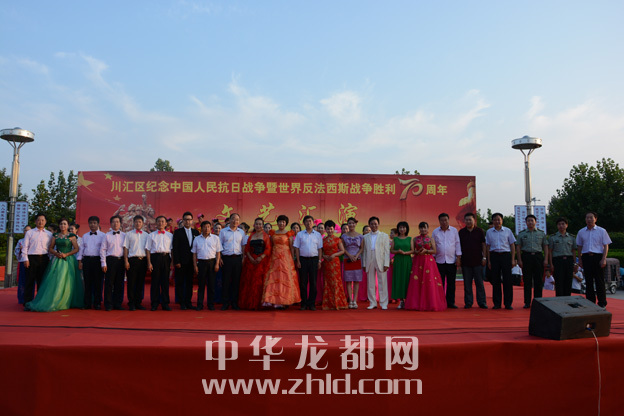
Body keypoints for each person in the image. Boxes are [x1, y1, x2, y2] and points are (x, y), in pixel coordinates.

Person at [25, 218, 84, 312]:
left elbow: (76, 249)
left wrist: (66, 254)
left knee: (70, 280)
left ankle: (68, 300)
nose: (63, 226)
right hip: (58, 260)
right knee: (57, 280)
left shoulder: (72, 236)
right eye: (61, 224)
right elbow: (51, 248)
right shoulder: (55, 235)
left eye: (64, 224)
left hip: (69, 260)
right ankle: (56, 300)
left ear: (68, 225)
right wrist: (56, 254)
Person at [404, 221, 446, 311]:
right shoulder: (415, 239)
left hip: (428, 262)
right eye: (421, 228)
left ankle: (430, 303)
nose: (423, 229)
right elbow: (413, 251)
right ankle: (416, 303)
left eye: (425, 228)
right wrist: (418, 252)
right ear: (419, 229)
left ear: (427, 229)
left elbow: (434, 251)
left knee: (429, 281)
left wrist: (426, 251)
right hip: (418, 261)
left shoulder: (431, 239)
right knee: (417, 282)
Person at [263, 215, 301, 308]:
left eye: (283, 222)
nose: (281, 223)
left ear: (286, 223)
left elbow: (292, 248)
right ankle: (273, 300)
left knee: (285, 278)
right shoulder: (273, 233)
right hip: (274, 258)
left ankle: (285, 300)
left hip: (286, 259)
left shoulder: (289, 234)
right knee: (274, 277)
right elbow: (271, 246)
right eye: (280, 222)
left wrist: (293, 259)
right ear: (277, 223)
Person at [576, 212, 612, 308]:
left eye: (591, 218)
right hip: (586, 257)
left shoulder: (602, 231)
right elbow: (579, 246)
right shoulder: (581, 232)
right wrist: (580, 260)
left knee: (599, 281)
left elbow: (606, 245)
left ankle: (602, 303)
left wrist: (604, 259)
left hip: (598, 257)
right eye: (587, 218)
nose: (589, 219)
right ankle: (590, 302)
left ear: (595, 219)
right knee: (588, 281)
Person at [516, 214, 549, 309]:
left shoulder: (541, 233)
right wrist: (519, 260)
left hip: (538, 257)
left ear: (535, 222)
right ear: (526, 222)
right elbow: (518, 247)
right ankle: (527, 302)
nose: (530, 222)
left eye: (532, 220)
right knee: (527, 281)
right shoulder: (522, 234)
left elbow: (545, 246)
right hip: (526, 257)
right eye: (528, 221)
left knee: (538, 280)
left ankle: (538, 301)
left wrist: (546, 259)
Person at [239, 218, 272, 310]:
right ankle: (250, 303)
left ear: (262, 225)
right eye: (256, 224)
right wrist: (250, 258)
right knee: (249, 282)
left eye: (260, 224)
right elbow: (247, 249)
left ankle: (260, 303)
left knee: (260, 282)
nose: (258, 226)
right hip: (251, 261)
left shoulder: (265, 236)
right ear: (254, 225)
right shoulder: (251, 235)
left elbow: (268, 249)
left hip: (262, 262)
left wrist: (261, 257)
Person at [486, 213, 516, 310]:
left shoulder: (507, 231)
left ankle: (508, 303)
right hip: (494, 256)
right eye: (495, 220)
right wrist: (489, 261)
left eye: (499, 219)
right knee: (496, 280)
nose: (497, 221)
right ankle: (497, 303)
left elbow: (512, 245)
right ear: (492, 221)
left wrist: (512, 259)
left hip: (505, 256)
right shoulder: (489, 232)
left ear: (502, 220)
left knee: (507, 280)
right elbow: (488, 247)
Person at [21, 213, 53, 307]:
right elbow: (25, 247)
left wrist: (50, 260)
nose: (40, 222)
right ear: (35, 221)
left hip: (44, 258)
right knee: (29, 281)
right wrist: (25, 259)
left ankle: (40, 302)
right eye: (39, 220)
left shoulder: (49, 234)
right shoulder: (30, 233)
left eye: (43, 220)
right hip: (32, 258)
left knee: (42, 282)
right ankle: (27, 303)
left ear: (45, 222)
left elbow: (50, 248)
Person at [432, 213, 462, 309]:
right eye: (442, 220)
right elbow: (433, 245)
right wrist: (433, 259)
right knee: (439, 283)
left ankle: (450, 302)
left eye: (445, 220)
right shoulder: (435, 232)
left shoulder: (454, 231)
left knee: (451, 283)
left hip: (451, 261)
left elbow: (457, 244)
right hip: (439, 261)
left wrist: (458, 257)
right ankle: (440, 301)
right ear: (439, 221)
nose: (444, 222)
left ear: (448, 220)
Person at [294, 215, 323, 311]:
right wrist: (298, 261)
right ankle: (303, 303)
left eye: (310, 221)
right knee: (303, 282)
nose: (308, 223)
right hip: (303, 260)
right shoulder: (300, 234)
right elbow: (297, 248)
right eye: (306, 221)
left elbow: (320, 249)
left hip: (314, 260)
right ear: (304, 223)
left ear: (313, 222)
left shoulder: (317, 235)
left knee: (313, 282)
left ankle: (312, 303)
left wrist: (319, 261)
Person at [458, 213, 487, 309]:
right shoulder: (461, 232)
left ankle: (482, 302)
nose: (468, 221)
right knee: (467, 284)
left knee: (479, 283)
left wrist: (484, 257)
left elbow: (483, 245)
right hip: (465, 262)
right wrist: (459, 259)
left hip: (478, 261)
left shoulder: (479, 231)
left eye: (470, 219)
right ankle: (468, 302)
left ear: (474, 220)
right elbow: (458, 247)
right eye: (466, 220)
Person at [192, 221, 222, 310]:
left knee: (211, 285)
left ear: (210, 228)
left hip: (212, 263)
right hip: (201, 263)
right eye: (205, 227)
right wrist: (195, 266)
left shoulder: (215, 238)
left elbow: (218, 252)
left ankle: (210, 304)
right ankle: (200, 304)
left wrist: (217, 264)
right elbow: (194, 253)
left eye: (208, 227)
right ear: (201, 228)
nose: (206, 228)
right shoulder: (197, 239)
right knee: (201, 285)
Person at [173, 211, 200, 310]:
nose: (188, 221)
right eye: (186, 220)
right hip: (181, 262)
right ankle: (181, 302)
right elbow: (175, 248)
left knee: (189, 283)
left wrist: (196, 262)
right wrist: (177, 261)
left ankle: (188, 301)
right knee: (180, 282)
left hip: (191, 262)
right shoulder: (178, 232)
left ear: (192, 221)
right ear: (183, 221)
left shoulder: (196, 232)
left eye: (189, 220)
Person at [362, 216, 390, 310]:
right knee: (370, 282)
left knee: (382, 282)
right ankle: (372, 302)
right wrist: (364, 264)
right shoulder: (365, 237)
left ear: (378, 224)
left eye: (375, 224)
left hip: (381, 260)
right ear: (369, 225)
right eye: (372, 224)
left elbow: (387, 251)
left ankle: (383, 303)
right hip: (369, 259)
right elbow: (364, 251)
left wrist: (386, 263)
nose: (374, 225)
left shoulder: (384, 236)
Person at [77, 216, 105, 309]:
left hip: (98, 261)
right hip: (87, 260)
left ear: (98, 224)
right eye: (91, 223)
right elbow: (81, 249)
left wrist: (103, 263)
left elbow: (104, 250)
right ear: (88, 224)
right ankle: (87, 303)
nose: (92, 225)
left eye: (94, 223)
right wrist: (80, 261)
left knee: (98, 283)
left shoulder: (103, 236)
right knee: (87, 283)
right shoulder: (85, 236)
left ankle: (97, 303)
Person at [219, 213, 246, 310]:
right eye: (233, 219)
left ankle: (234, 302)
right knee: (226, 281)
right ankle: (225, 303)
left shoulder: (241, 232)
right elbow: (219, 245)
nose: (235, 221)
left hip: (237, 259)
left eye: (237, 219)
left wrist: (243, 258)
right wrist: (220, 258)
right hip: (226, 259)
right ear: (229, 220)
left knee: (236, 281)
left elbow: (243, 246)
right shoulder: (223, 231)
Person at [146, 215, 174, 311]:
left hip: (166, 258)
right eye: (159, 221)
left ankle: (165, 303)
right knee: (155, 281)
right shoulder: (151, 235)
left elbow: (172, 250)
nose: (160, 223)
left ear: (166, 224)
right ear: (156, 223)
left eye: (162, 221)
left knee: (165, 282)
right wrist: (149, 263)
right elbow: (148, 249)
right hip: (155, 258)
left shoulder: (170, 235)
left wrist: (172, 262)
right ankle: (154, 303)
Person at [123, 215, 149, 311]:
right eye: (136, 222)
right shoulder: (129, 234)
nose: (138, 223)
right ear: (133, 223)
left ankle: (138, 302)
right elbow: (126, 248)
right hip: (132, 260)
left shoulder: (146, 235)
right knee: (131, 283)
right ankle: (131, 303)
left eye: (140, 222)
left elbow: (147, 249)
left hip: (143, 261)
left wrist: (148, 262)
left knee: (140, 282)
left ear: (143, 223)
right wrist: (126, 261)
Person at [101, 215, 126, 311]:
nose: (115, 224)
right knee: (109, 283)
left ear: (120, 223)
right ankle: (108, 304)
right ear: (110, 224)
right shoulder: (106, 235)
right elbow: (103, 249)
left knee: (119, 283)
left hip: (121, 261)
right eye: (113, 222)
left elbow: (126, 249)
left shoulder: (124, 235)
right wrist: (103, 263)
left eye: (117, 222)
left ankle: (118, 303)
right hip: (110, 260)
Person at [321, 220, 348, 310]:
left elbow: (342, 251)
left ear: (334, 229)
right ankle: (328, 304)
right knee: (327, 282)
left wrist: (334, 255)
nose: (330, 230)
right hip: (326, 263)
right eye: (328, 229)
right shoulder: (323, 240)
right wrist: (323, 256)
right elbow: (320, 252)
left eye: (331, 229)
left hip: (335, 262)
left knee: (336, 281)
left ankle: (338, 303)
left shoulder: (337, 239)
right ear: (325, 230)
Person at [548, 217, 578, 296]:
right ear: (557, 226)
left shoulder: (571, 237)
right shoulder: (552, 237)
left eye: (563, 224)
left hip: (568, 260)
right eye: (559, 224)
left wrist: (575, 263)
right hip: (557, 261)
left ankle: (567, 299)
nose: (561, 226)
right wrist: (551, 264)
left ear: (566, 225)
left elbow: (573, 251)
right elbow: (550, 251)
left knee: (568, 281)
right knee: (559, 282)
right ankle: (559, 300)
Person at [341, 217, 364, 309]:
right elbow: (343, 248)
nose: (351, 225)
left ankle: (355, 300)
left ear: (356, 224)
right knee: (348, 280)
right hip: (347, 259)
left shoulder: (360, 236)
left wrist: (357, 255)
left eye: (353, 223)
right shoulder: (344, 236)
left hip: (357, 259)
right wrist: (349, 255)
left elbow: (362, 248)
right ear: (348, 224)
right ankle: (350, 300)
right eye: (350, 223)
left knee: (356, 280)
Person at [391, 221, 412, 309]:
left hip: (407, 261)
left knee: (407, 279)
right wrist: (398, 251)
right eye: (400, 227)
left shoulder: (410, 239)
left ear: (407, 229)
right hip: (398, 261)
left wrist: (405, 253)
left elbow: (413, 250)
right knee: (399, 279)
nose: (402, 229)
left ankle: (408, 300)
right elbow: (391, 250)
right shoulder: (395, 239)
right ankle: (401, 301)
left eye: (404, 227)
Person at [15, 225, 32, 304]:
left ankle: (30, 298)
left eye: (28, 230)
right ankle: (21, 298)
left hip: (32, 262)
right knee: (22, 280)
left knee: (31, 280)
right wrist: (20, 249)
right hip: (23, 262)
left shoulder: (33, 240)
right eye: (25, 230)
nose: (27, 232)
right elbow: (16, 251)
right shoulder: (20, 241)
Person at [315, 221, 326, 305]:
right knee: (317, 280)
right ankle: (318, 298)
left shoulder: (326, 238)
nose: (320, 229)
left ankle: (325, 298)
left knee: (324, 280)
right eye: (319, 228)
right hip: (316, 260)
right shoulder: (314, 237)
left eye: (322, 228)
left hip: (325, 261)